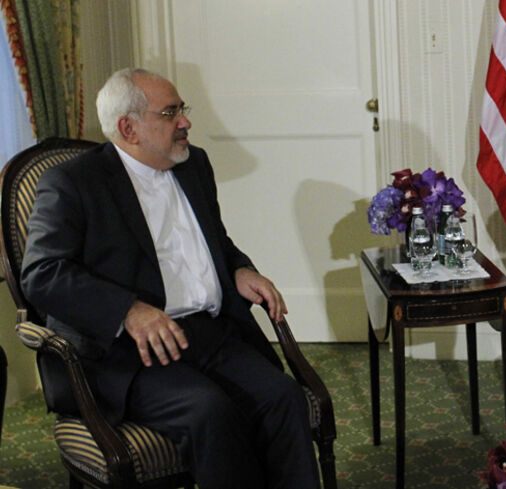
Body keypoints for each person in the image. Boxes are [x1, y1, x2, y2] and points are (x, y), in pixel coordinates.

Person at [21, 68, 320, 489]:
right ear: (129, 128)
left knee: (283, 398)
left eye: (182, 109)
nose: (185, 122)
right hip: (128, 353)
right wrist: (127, 311)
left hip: (208, 333)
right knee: (210, 412)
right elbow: (42, 274)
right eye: (170, 113)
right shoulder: (73, 183)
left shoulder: (194, 164)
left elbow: (216, 240)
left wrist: (239, 269)